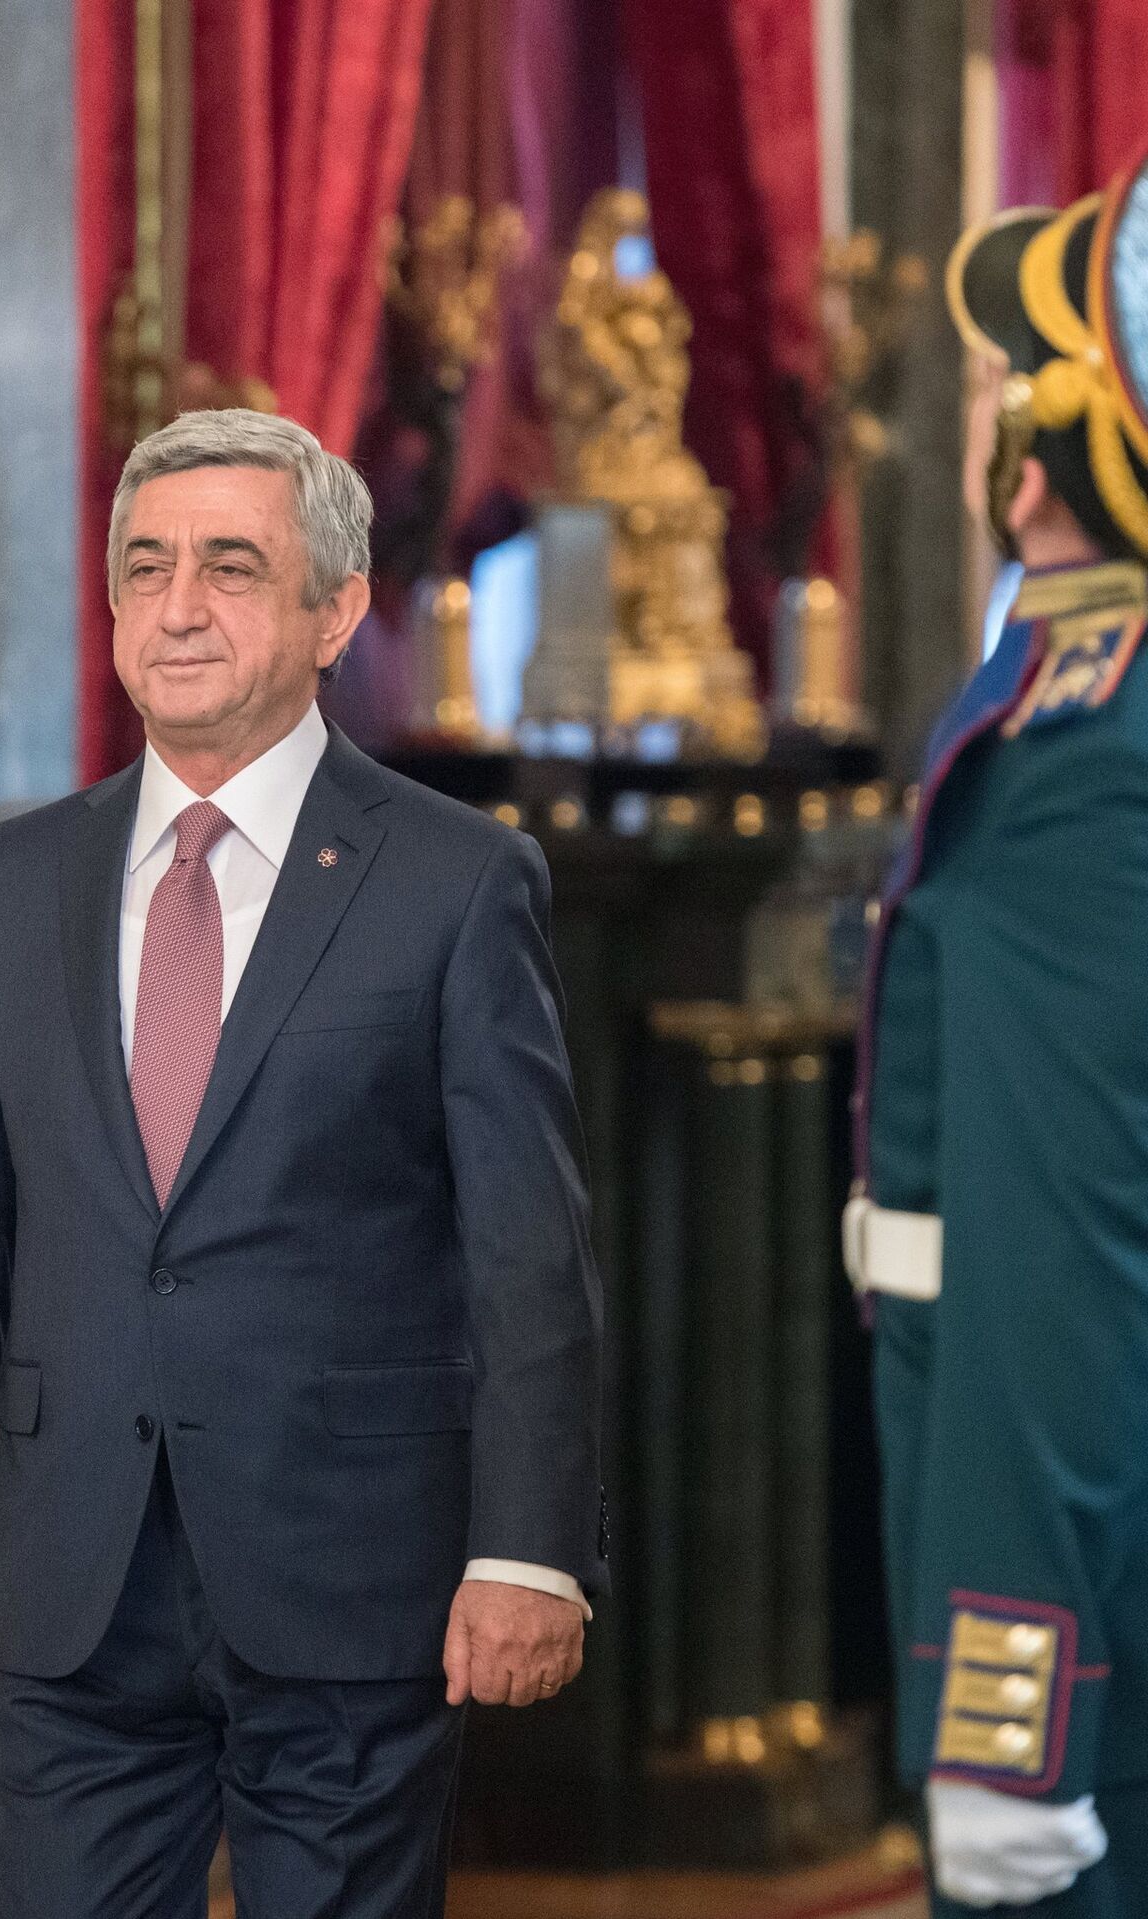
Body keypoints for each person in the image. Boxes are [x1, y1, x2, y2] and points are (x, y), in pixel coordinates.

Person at [0, 408, 608, 1917]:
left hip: (353, 1582)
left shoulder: (459, 884)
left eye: (231, 567)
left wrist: (530, 1552)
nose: (180, 607)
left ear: (337, 614)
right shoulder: (11, 884)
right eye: (146, 568)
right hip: (75, 1593)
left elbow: (529, 1256)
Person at [846, 151, 1148, 1914]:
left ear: (1050, 448)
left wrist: (1004, 1712)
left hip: (1096, 1621)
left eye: (1002, 374)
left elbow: (1058, 1252)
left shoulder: (1083, 755)